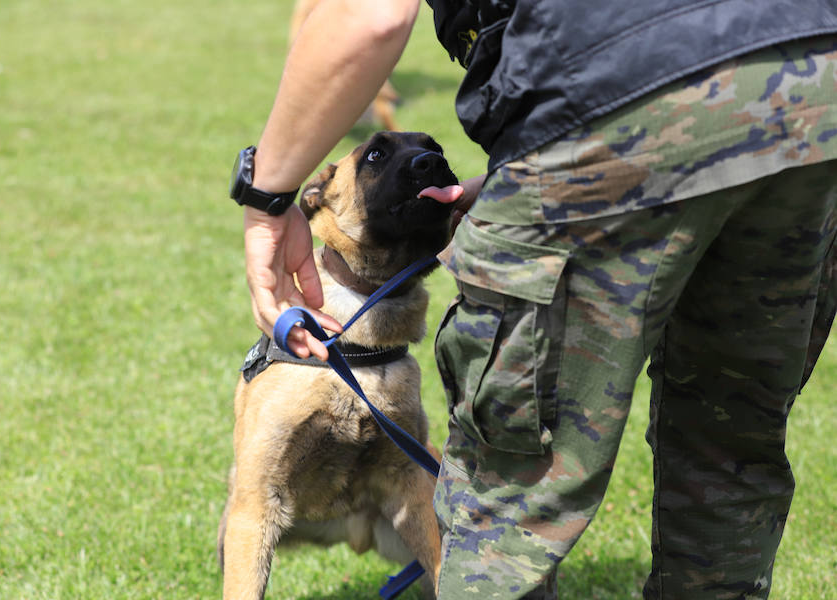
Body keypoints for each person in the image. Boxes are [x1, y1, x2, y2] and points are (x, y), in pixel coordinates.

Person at [231, 1, 837, 598]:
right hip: (810, 90)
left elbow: (370, 15)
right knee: (728, 438)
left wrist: (266, 193)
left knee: (511, 473)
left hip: (614, 95)